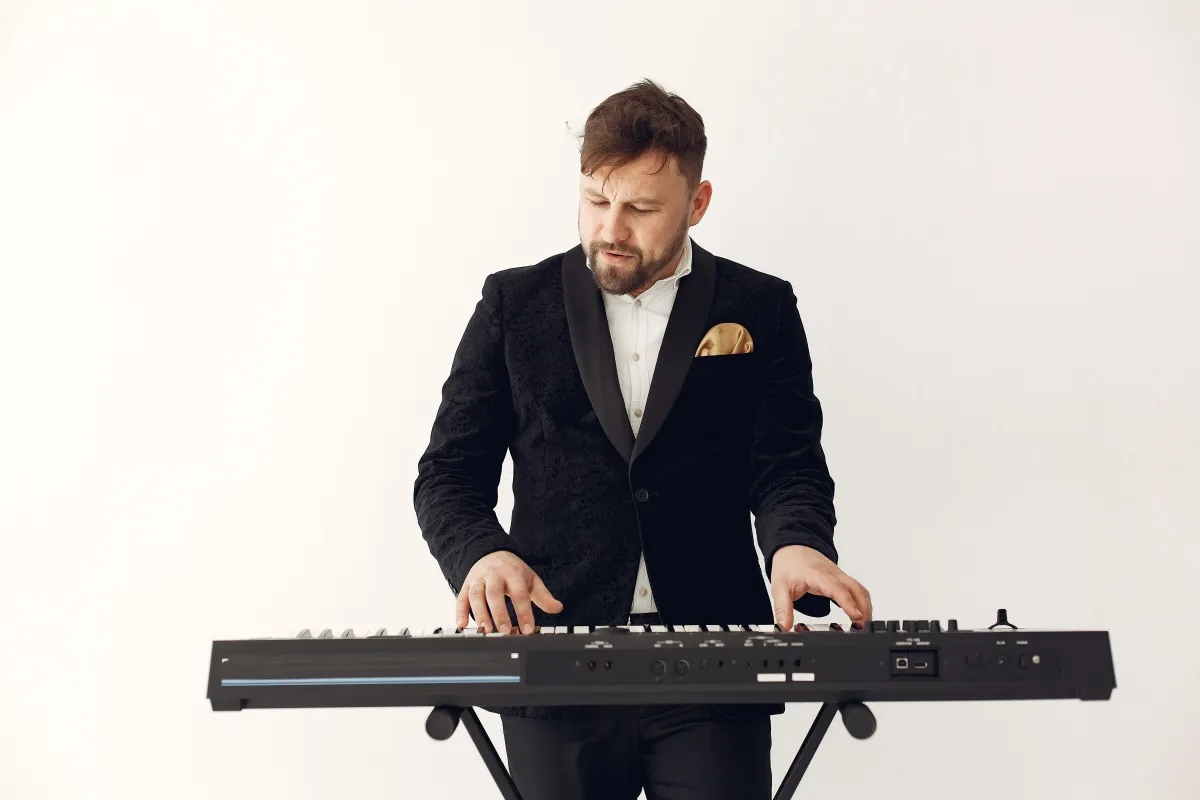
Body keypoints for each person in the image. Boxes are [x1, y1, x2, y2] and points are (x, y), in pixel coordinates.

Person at [413, 78, 872, 800]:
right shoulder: (512, 303)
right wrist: (480, 554)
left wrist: (795, 544)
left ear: (698, 203)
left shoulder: (762, 307)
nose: (611, 229)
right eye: (596, 200)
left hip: (716, 666)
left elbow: (787, 465)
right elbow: (448, 473)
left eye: (641, 209)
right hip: (551, 661)